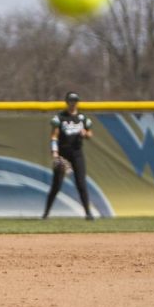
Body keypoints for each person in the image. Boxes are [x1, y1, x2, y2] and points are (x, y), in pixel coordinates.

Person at [42, 91, 94, 220]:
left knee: (81, 183)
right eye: (70, 101)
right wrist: (55, 152)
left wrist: (85, 134)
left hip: (77, 153)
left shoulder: (82, 118)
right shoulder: (60, 117)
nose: (73, 104)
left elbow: (90, 134)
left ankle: (88, 213)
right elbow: (54, 135)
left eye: (75, 101)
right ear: (66, 102)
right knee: (57, 184)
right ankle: (46, 213)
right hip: (63, 154)